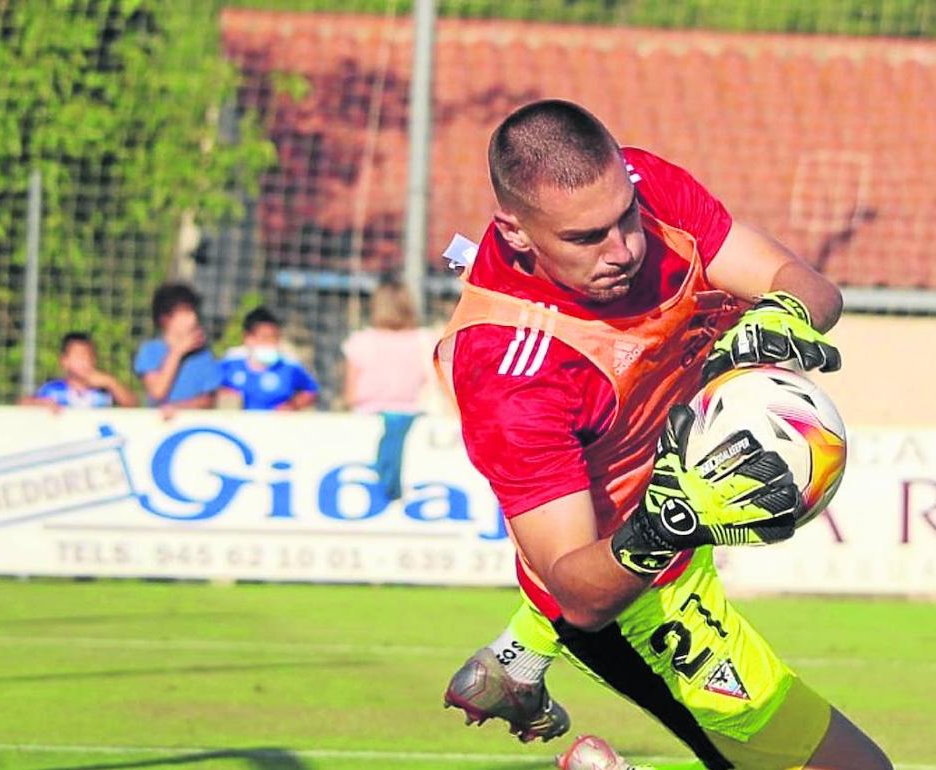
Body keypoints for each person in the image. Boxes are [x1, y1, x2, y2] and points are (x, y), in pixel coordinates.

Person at [435, 100, 889, 770]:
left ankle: (517, 658)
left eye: (624, 217)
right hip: (635, 596)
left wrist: (785, 315)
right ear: (517, 233)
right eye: (587, 238)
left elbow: (809, 286)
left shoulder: (643, 189)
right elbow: (578, 594)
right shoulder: (509, 370)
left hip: (676, 526)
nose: (624, 248)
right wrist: (667, 523)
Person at [341, 283, 434, 413]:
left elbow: (350, 396)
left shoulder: (361, 341)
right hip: (413, 415)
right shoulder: (424, 340)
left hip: (367, 415)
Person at [134, 282, 222, 409]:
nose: (193, 318)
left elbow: (208, 400)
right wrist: (177, 352)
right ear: (165, 318)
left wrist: (179, 408)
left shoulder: (203, 355)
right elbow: (157, 392)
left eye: (193, 311)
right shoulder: (150, 351)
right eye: (185, 312)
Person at [219, 306, 319, 411]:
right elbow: (212, 387)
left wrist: (292, 405)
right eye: (265, 337)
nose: (270, 343)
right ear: (248, 337)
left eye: (274, 337)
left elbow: (310, 390)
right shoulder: (230, 363)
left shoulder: (289, 366)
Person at [20, 332, 137, 409]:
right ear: (64, 361)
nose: (85, 361)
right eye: (79, 356)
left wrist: (111, 383)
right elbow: (23, 403)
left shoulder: (103, 392)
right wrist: (41, 403)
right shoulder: (54, 390)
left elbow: (132, 404)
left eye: (89, 356)